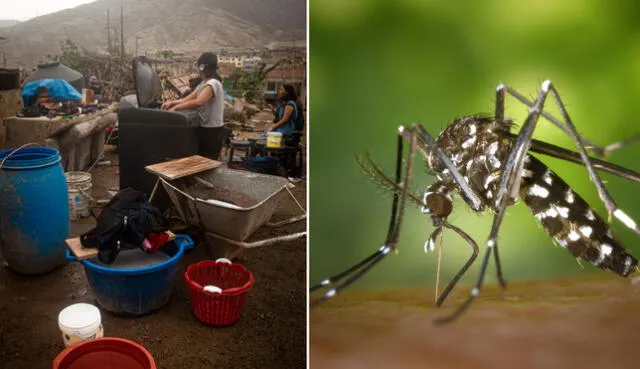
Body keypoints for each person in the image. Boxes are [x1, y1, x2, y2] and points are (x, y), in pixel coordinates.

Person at [161, 52, 229, 159]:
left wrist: (175, 108)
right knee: (202, 159)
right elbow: (188, 98)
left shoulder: (213, 83)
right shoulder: (203, 84)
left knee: (208, 162)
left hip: (212, 131)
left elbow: (198, 102)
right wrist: (172, 103)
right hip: (205, 128)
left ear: (202, 67)